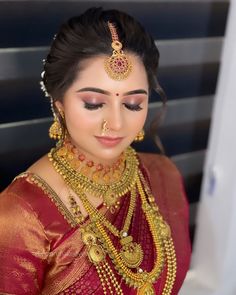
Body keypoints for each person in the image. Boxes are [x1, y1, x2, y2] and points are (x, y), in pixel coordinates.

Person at [0, 7, 191, 294]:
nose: (115, 123)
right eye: (93, 103)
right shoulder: (21, 216)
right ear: (59, 104)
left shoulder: (163, 175)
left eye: (133, 104)